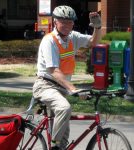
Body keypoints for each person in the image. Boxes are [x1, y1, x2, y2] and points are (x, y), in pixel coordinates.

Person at [33, 5, 101, 150]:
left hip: (61, 88)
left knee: (65, 134)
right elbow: (53, 70)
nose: (66, 25)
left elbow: (93, 42)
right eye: (63, 21)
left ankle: (60, 145)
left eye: (69, 22)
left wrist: (97, 27)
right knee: (64, 108)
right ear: (55, 22)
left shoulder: (73, 37)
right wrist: (73, 89)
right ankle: (54, 146)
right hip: (45, 85)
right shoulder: (49, 40)